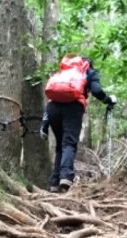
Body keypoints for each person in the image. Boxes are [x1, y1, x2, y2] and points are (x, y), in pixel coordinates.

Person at [40, 54, 116, 193]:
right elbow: (97, 90)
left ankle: (54, 183)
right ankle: (66, 177)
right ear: (89, 64)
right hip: (73, 107)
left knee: (60, 146)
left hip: (53, 108)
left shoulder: (64, 71)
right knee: (68, 143)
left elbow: (51, 95)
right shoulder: (89, 72)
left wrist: (44, 125)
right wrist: (107, 100)